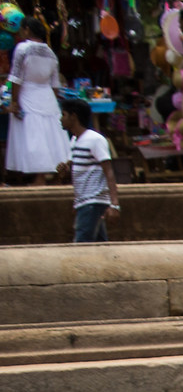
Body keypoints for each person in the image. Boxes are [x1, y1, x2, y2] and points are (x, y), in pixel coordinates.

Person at [5, 18, 69, 180]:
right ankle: (56, 178)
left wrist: (14, 102)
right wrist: (51, 101)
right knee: (51, 137)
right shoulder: (51, 53)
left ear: (27, 29)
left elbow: (16, 78)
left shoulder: (22, 48)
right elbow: (55, 84)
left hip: (27, 95)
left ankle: (38, 178)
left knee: (33, 137)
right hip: (47, 97)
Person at [60, 95, 119, 241]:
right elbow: (77, 169)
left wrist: (115, 204)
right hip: (85, 202)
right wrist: (64, 170)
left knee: (82, 244)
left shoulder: (94, 139)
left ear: (73, 117)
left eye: (64, 115)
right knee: (99, 245)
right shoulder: (74, 140)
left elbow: (109, 171)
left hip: (92, 201)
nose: (61, 119)